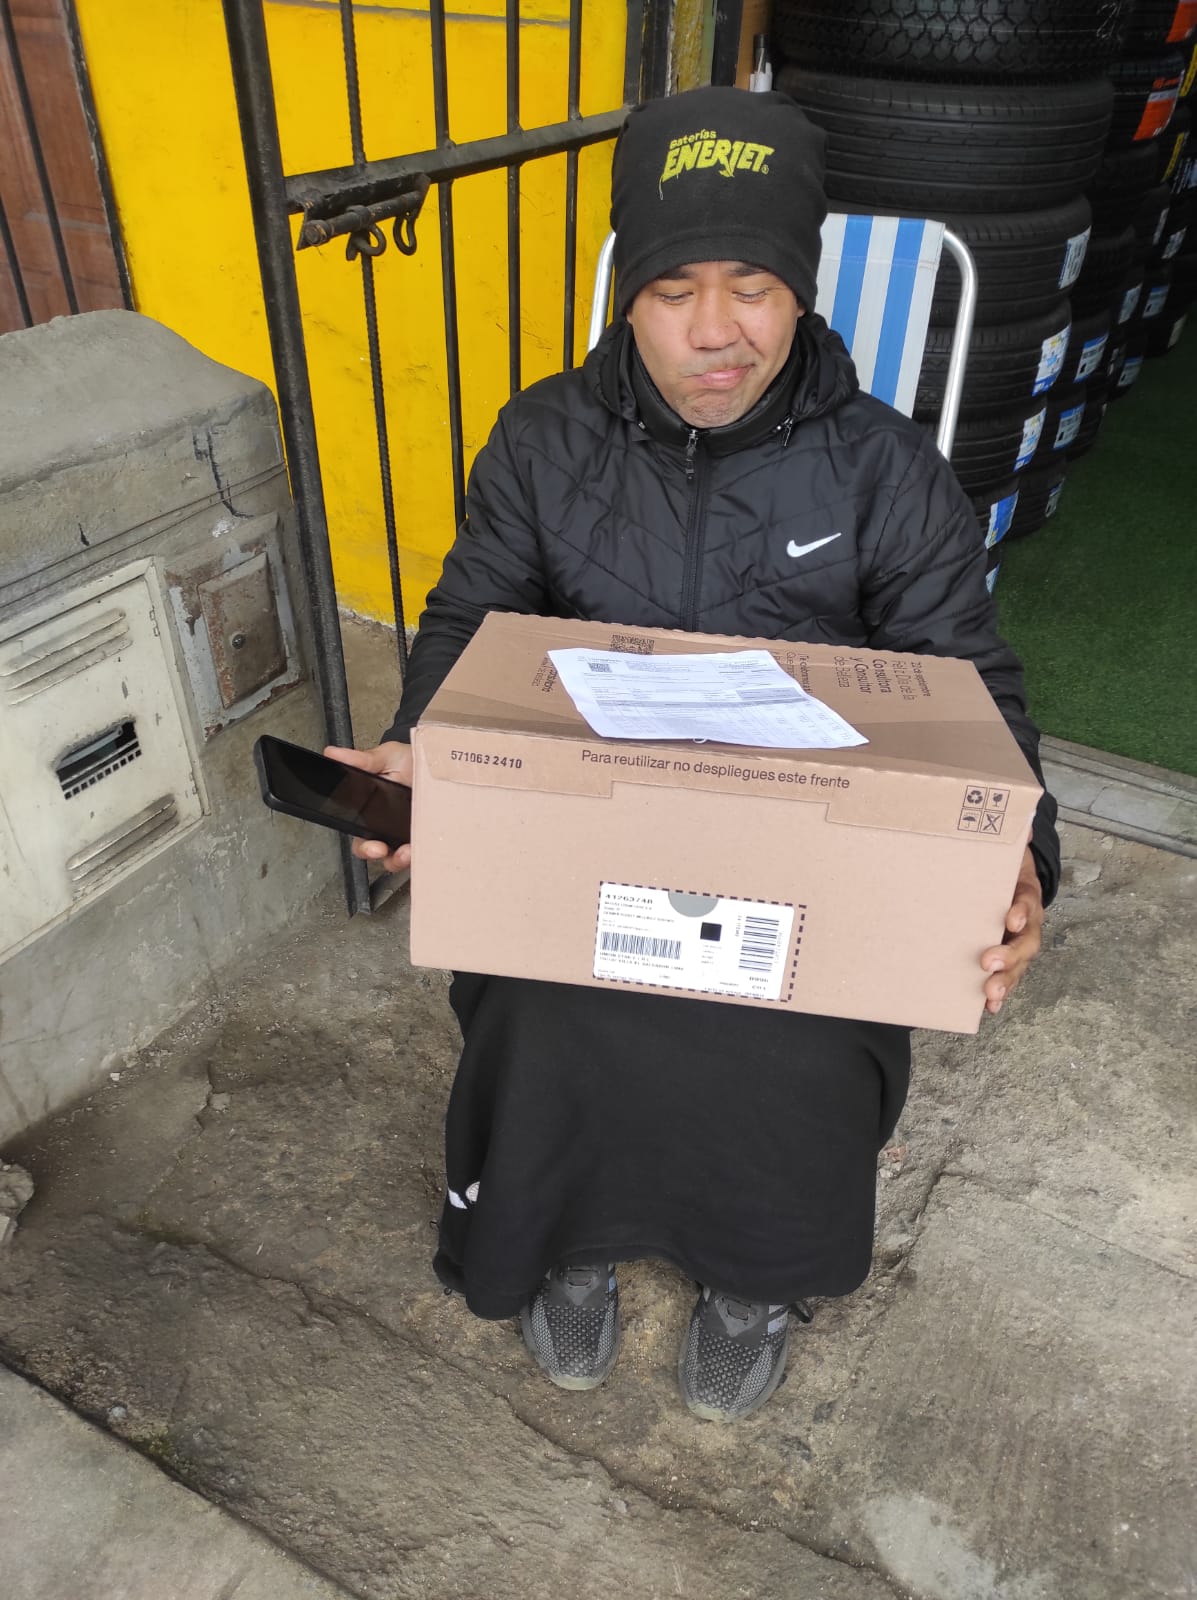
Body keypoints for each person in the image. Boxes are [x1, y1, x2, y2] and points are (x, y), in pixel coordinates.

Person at [328, 85, 1059, 1423]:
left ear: (801, 289)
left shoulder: (884, 470)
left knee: (797, 1035)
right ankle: (566, 1241)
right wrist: (424, 754)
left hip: (808, 853)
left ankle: (751, 1281)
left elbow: (969, 681)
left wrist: (1020, 856)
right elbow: (469, 623)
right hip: (586, 833)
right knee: (545, 1006)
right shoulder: (543, 439)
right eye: (674, 290)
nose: (717, 330)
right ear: (629, 292)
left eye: (755, 287)